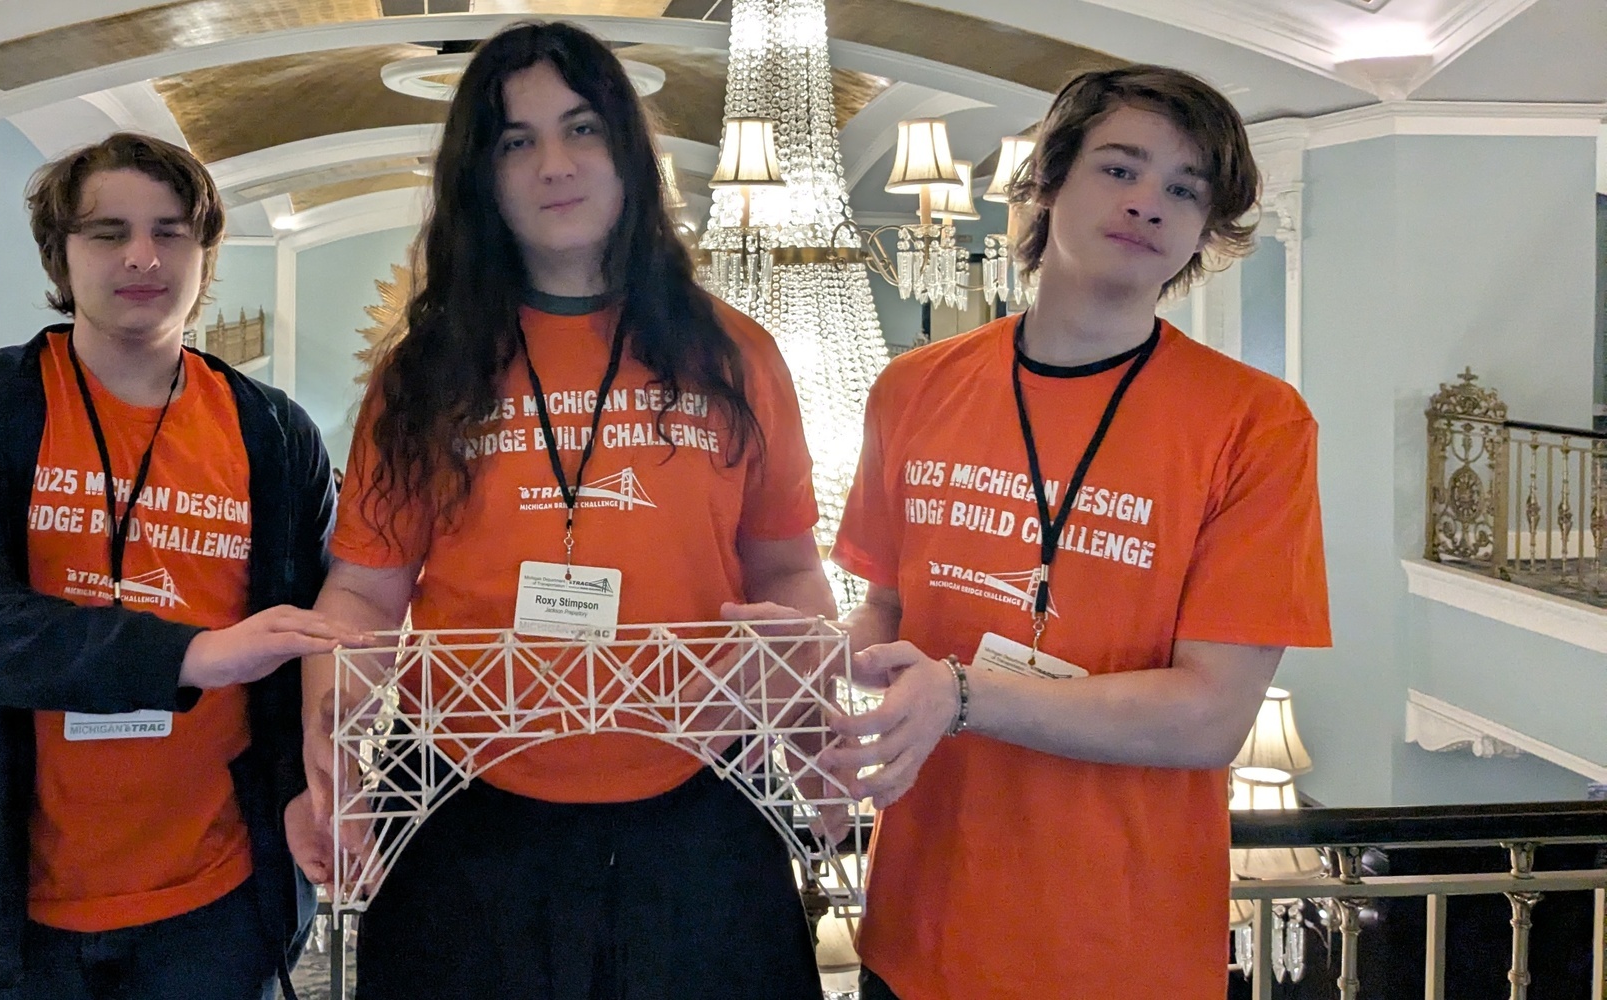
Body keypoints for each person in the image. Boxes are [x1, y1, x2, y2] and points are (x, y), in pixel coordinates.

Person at [288, 21, 838, 1000]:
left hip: (702, 800)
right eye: (516, 141)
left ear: (626, 150)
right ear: (483, 177)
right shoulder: (421, 375)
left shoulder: (734, 354)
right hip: (464, 802)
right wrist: (333, 754)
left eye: (581, 128)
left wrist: (812, 715)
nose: (554, 164)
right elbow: (364, 596)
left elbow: (788, 569)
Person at [822, 66, 1333, 999]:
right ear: (1049, 182)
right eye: (1119, 169)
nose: (1148, 203)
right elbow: (885, 614)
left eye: (1185, 190)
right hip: (916, 933)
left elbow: (1211, 716)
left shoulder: (1257, 423)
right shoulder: (914, 388)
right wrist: (808, 671)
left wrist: (965, 696)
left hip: (1118, 952)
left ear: (1204, 230)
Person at [0, 131, 361, 1000]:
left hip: (218, 905)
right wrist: (193, 655)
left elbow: (311, 628)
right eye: (109, 233)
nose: (143, 257)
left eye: (171, 233)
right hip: (15, 913)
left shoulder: (273, 431)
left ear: (204, 257)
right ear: (60, 257)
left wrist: (310, 782)